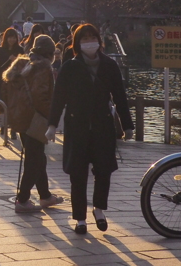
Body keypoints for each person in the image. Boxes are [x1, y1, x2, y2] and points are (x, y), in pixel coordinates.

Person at [46, 24, 133, 235]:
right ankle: (80, 218)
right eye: (84, 39)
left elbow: (120, 96)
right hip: (77, 126)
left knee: (103, 171)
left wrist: (128, 124)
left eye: (92, 37)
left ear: (99, 41)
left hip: (103, 126)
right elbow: (59, 98)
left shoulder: (109, 66)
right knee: (78, 174)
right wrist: (52, 125)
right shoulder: (70, 67)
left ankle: (99, 209)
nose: (89, 42)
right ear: (77, 43)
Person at [5, 35, 63, 212]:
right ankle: (22, 200)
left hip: (20, 116)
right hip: (35, 120)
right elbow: (41, 97)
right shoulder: (43, 68)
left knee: (38, 157)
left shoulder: (22, 65)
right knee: (33, 160)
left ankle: (45, 196)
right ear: (49, 53)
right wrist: (51, 118)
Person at [0, 28, 23, 141]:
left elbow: (24, 65)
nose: (12, 39)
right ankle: (3, 125)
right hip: (3, 81)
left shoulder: (20, 49)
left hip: (15, 82)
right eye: (10, 37)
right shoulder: (1, 50)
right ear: (6, 38)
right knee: (2, 104)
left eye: (14, 37)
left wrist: (16, 60)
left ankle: (14, 129)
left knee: (14, 105)